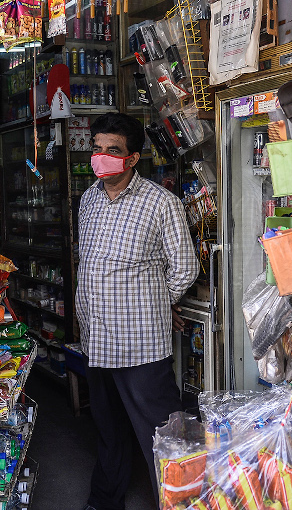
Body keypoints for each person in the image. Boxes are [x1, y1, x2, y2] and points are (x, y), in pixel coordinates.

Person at [76, 113, 199, 510]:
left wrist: (158, 305)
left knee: (162, 432)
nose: (102, 157)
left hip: (139, 342)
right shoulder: (89, 199)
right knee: (108, 429)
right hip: (96, 338)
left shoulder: (161, 203)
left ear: (132, 159)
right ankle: (105, 500)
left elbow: (184, 267)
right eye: (97, 148)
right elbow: (89, 260)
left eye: (113, 150)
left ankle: (180, 503)